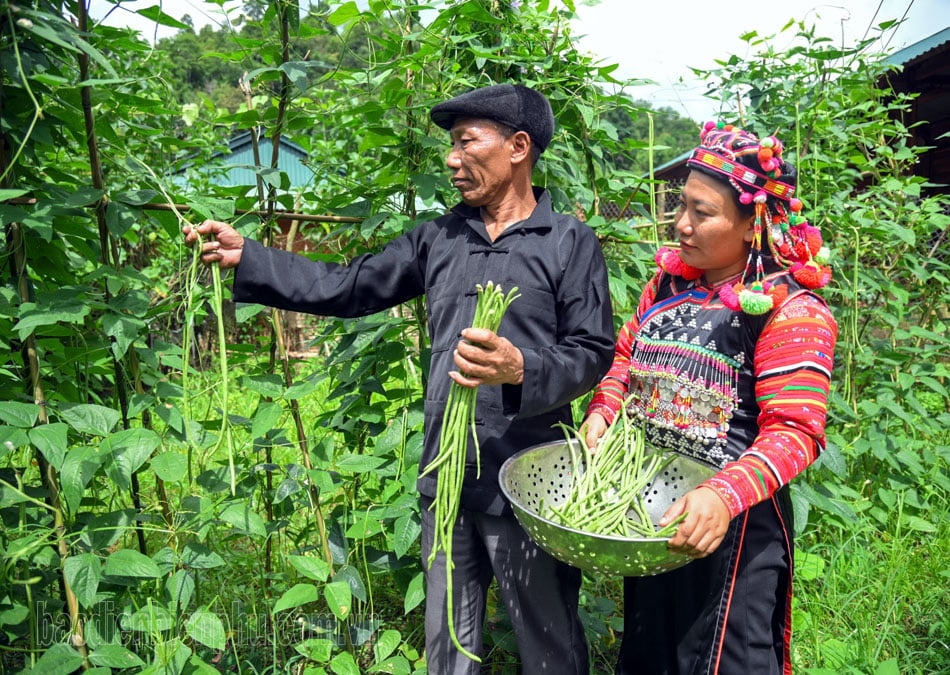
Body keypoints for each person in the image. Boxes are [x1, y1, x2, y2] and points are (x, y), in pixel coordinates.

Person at [184, 83, 615, 673]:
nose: (452, 158)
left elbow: (592, 353)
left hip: (530, 481)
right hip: (447, 476)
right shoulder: (439, 237)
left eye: (467, 141)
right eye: (452, 144)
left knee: (548, 642)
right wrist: (250, 257)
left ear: (518, 147)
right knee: (447, 645)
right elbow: (348, 285)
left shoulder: (568, 242)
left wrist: (522, 369)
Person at [582, 122, 837, 674]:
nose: (681, 224)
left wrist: (721, 497)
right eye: (682, 206)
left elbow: (797, 432)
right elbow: (625, 356)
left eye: (702, 212)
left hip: (734, 532)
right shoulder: (668, 287)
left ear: (752, 225)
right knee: (652, 655)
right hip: (654, 517)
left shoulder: (790, 311)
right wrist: (604, 409)